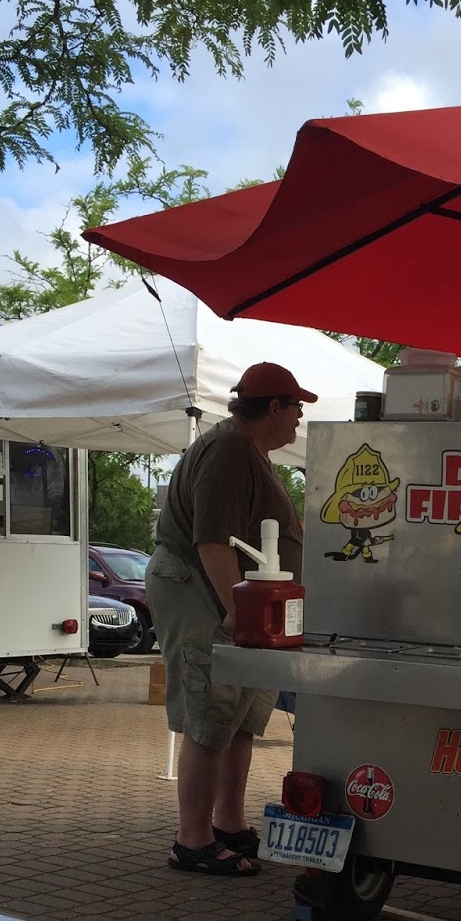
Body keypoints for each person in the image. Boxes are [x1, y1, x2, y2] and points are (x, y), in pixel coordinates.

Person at [147, 361, 312, 876]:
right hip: (201, 590)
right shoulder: (229, 448)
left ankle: (228, 824)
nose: (299, 420)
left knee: (240, 714)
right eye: (296, 408)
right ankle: (192, 840)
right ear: (275, 407)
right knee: (210, 709)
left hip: (244, 599)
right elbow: (213, 542)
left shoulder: (251, 452)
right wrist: (238, 616)